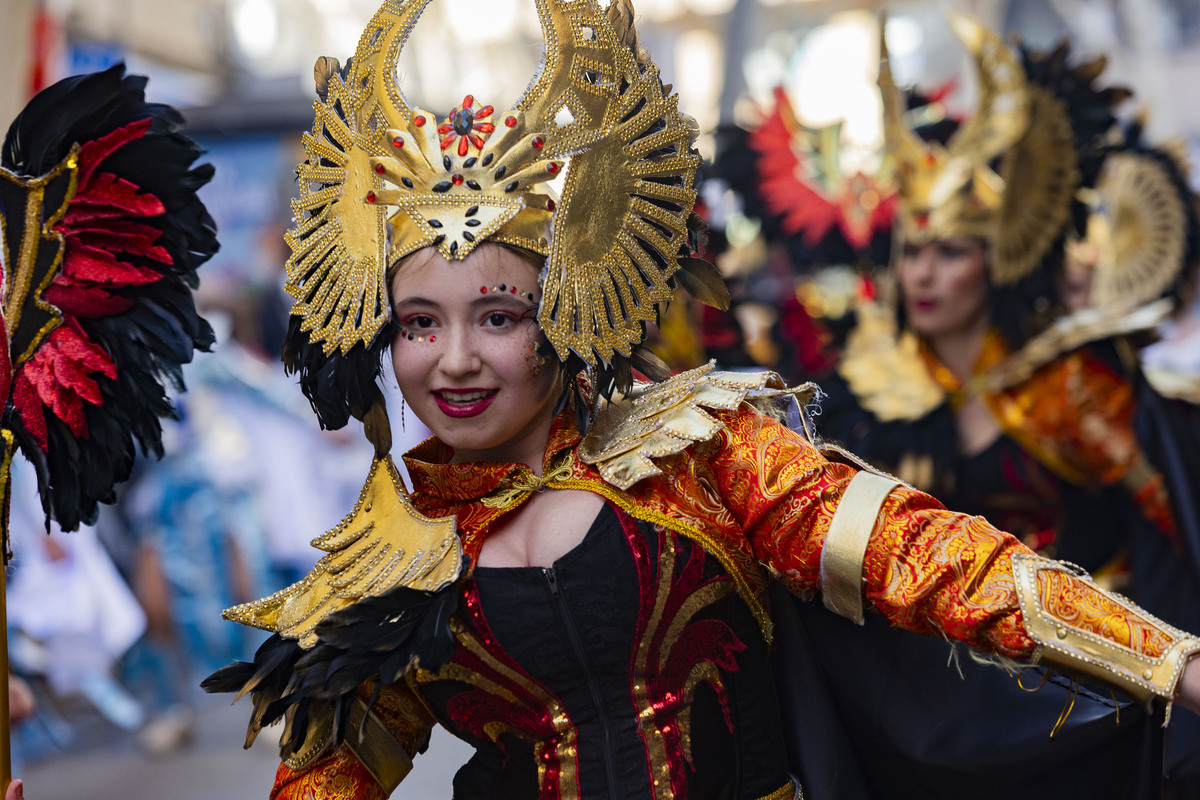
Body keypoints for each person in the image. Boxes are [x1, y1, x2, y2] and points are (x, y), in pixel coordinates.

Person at [207, 3, 1200, 799]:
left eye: (498, 316)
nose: (453, 360)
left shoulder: (697, 453)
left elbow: (930, 555)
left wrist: (1167, 660)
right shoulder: (388, 556)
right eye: (419, 322)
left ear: (561, 312)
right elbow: (325, 776)